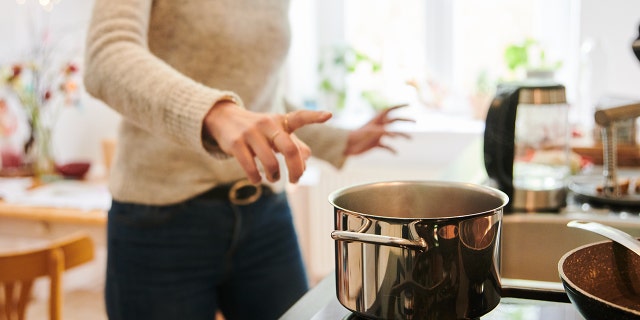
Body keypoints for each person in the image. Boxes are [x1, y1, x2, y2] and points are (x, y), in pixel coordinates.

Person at [83, 1, 412, 319]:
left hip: (263, 214)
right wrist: (214, 112)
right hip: (160, 221)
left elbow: (262, 96)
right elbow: (107, 54)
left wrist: (340, 140)